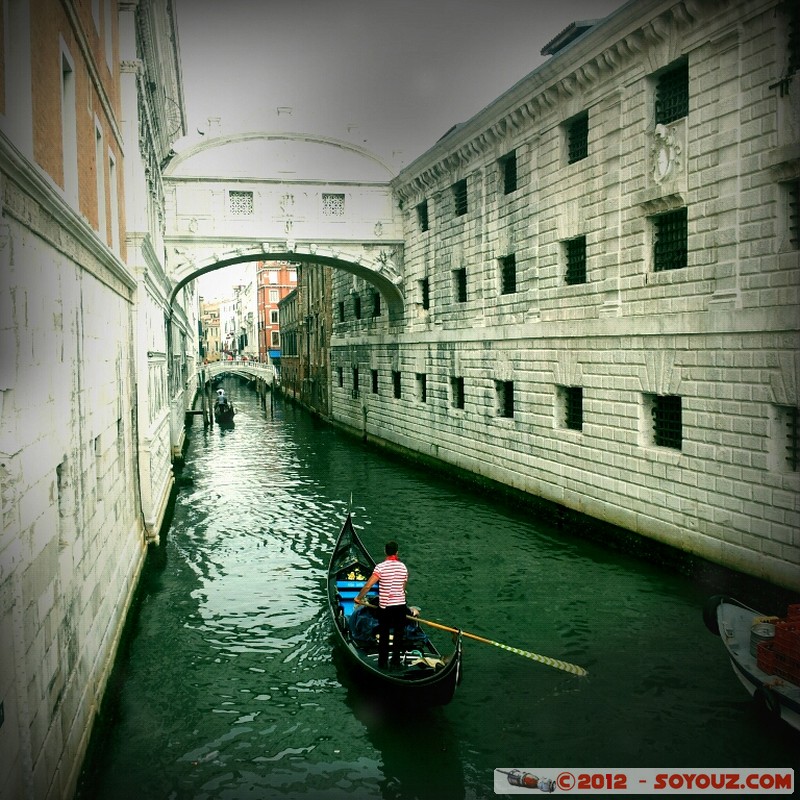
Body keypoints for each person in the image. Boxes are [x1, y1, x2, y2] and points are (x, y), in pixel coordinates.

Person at [354, 541, 416, 669]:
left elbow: (368, 585)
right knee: (398, 635)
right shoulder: (403, 567)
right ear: (397, 552)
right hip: (400, 606)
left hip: (386, 607)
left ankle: (382, 663)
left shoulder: (380, 568)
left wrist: (358, 598)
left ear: (385, 551)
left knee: (384, 635)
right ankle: (396, 662)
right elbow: (403, 588)